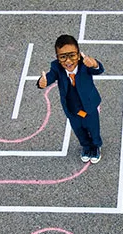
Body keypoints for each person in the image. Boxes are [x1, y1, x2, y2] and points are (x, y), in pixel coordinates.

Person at [37, 34, 104, 163]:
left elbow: (99, 69)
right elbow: (50, 77)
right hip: (72, 109)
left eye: (72, 55)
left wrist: (94, 63)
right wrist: (42, 82)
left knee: (93, 128)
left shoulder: (85, 65)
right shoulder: (57, 68)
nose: (68, 61)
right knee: (78, 130)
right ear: (57, 58)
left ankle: (95, 147)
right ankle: (86, 147)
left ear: (78, 55)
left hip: (88, 107)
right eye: (63, 57)